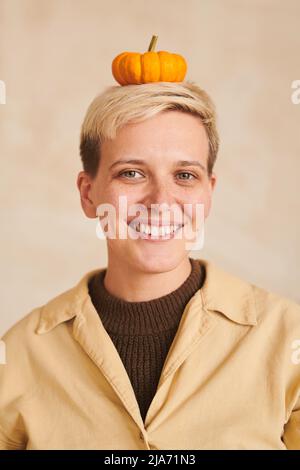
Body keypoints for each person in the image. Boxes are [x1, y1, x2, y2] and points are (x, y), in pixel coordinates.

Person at [0, 81, 299, 450]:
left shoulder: (288, 340)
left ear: (209, 192)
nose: (160, 201)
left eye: (185, 176)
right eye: (132, 173)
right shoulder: (16, 356)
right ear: (87, 193)